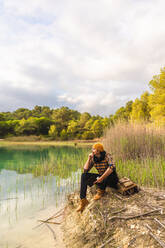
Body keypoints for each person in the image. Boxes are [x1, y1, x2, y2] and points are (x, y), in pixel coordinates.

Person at [76, 143, 119, 212]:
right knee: (84, 175)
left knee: (106, 175)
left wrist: (101, 178)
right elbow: (85, 170)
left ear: (98, 150)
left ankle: (101, 191)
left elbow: (112, 167)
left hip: (111, 178)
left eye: (94, 149)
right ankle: (83, 200)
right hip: (102, 178)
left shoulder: (107, 155)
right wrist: (89, 159)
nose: (92, 150)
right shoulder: (94, 158)